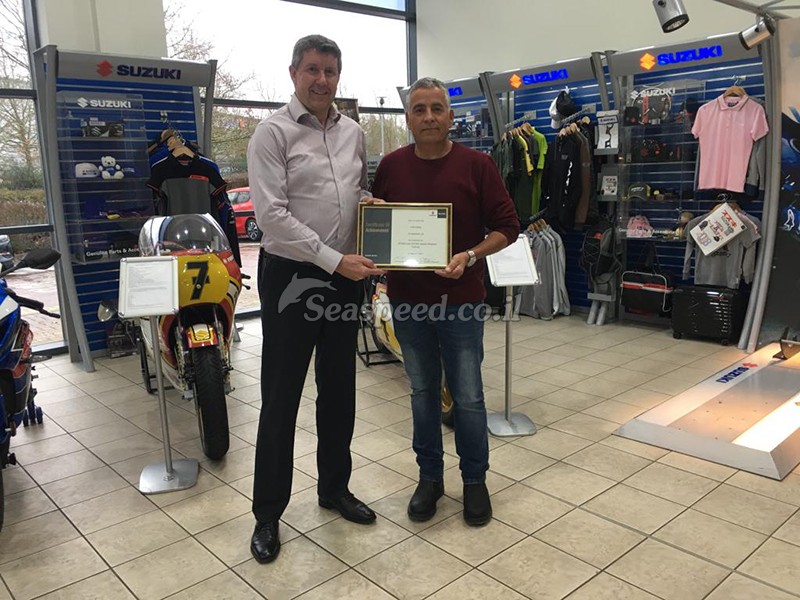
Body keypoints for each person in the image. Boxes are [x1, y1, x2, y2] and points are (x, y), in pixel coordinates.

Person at [246, 34, 384, 564]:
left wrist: (372, 208)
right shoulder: (272, 133)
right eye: (312, 70)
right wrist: (333, 259)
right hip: (292, 277)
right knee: (281, 396)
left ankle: (334, 489)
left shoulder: (353, 133)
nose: (322, 80)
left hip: (345, 276)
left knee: (339, 389)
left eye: (330, 71)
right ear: (293, 74)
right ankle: (267, 514)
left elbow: (354, 192)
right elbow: (271, 217)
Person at [371, 77, 519, 526]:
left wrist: (470, 255)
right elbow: (381, 223)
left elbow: (508, 226)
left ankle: (474, 480)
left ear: (451, 117)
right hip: (408, 303)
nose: (429, 117)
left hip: (461, 301)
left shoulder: (478, 165)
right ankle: (430, 479)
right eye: (420, 109)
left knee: (468, 396)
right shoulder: (391, 167)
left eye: (437, 108)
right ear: (408, 119)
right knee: (422, 394)